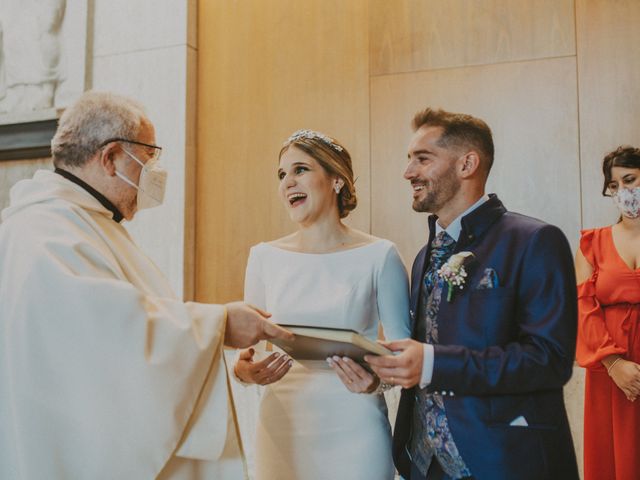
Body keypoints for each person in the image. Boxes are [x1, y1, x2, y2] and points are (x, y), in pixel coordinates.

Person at [0, 91, 292, 480]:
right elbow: (111, 337)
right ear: (110, 157)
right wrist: (219, 324)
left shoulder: (79, 221)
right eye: (149, 157)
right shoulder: (46, 232)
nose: (154, 173)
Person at [366, 108, 579, 480]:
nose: (408, 172)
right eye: (409, 160)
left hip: (503, 460)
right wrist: (381, 373)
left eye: (423, 158)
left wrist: (433, 364)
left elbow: (549, 360)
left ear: (467, 164)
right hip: (423, 464)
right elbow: (424, 348)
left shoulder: (533, 241)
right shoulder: (422, 258)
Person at [233, 129, 411, 480]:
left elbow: (403, 356)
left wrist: (375, 383)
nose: (288, 182)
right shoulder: (264, 257)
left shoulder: (381, 255)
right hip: (283, 424)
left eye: (300, 169)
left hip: (356, 421)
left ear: (337, 181)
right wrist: (244, 373)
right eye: (282, 174)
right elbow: (246, 353)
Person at [575, 146, 640, 480]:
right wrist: (615, 365)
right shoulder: (592, 243)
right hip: (608, 367)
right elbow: (584, 307)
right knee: (611, 460)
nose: (623, 192)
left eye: (629, 180)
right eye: (614, 186)